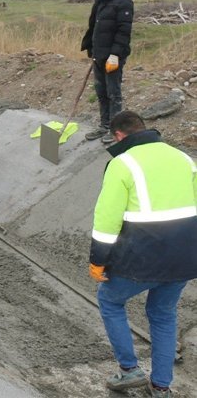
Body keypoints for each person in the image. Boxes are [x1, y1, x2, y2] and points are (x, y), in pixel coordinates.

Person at [89, 111, 197, 398]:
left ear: (119, 136)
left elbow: (107, 220)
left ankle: (129, 370)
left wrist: (98, 259)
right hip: (185, 257)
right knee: (163, 314)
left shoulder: (122, 163)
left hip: (141, 258)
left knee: (109, 300)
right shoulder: (184, 159)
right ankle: (161, 387)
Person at [81, 0, 133, 144]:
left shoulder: (123, 2)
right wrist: (91, 48)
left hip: (113, 58)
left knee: (113, 93)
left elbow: (123, 32)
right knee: (101, 92)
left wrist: (115, 55)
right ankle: (104, 126)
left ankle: (116, 130)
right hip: (99, 55)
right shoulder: (100, 1)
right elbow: (93, 27)